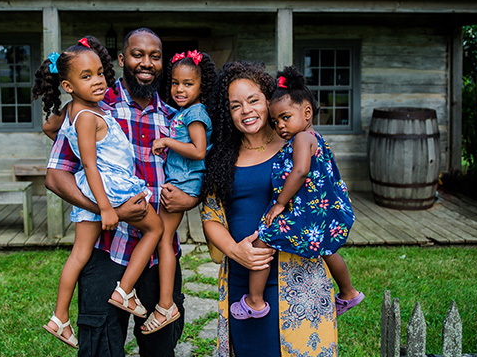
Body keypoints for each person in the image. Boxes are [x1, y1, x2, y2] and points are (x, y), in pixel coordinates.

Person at [45, 28, 195, 357]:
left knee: (160, 348)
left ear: (163, 63)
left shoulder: (176, 121)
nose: (146, 62)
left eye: (155, 56)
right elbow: (56, 177)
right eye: (138, 54)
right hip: (105, 248)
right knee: (100, 346)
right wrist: (104, 211)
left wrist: (192, 199)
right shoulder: (95, 108)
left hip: (157, 254)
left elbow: (198, 173)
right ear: (122, 59)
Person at [201, 61, 338, 357]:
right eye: (235, 105)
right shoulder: (222, 156)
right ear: (227, 112)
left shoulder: (297, 145)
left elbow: (326, 198)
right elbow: (211, 217)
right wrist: (237, 251)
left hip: (298, 276)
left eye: (253, 100)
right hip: (244, 280)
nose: (246, 110)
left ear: (268, 100)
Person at [230, 66, 363, 322]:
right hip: (318, 212)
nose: (280, 125)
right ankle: (348, 291)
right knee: (327, 250)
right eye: (275, 121)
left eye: (285, 117)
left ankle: (255, 302)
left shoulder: (302, 139)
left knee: (263, 239)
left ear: (307, 112)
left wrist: (279, 204)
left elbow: (300, 171)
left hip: (304, 211)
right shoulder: (317, 138)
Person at [142, 50, 216, 334]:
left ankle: (165, 305)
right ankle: (161, 302)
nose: (179, 89)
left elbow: (198, 151)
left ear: (201, 87)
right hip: (181, 181)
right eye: (175, 83)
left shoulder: (196, 113)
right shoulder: (185, 112)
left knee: (162, 240)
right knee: (162, 238)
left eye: (188, 84)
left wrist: (168, 142)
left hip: (185, 185)